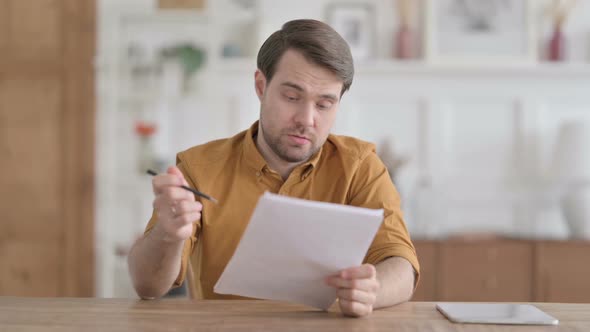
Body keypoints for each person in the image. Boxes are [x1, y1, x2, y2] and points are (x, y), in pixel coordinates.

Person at [128, 19, 420, 318]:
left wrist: (373, 289)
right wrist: (168, 232)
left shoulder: (360, 166)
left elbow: (401, 264)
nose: (306, 119)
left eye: (324, 105)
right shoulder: (199, 168)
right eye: (292, 97)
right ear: (261, 86)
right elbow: (147, 286)